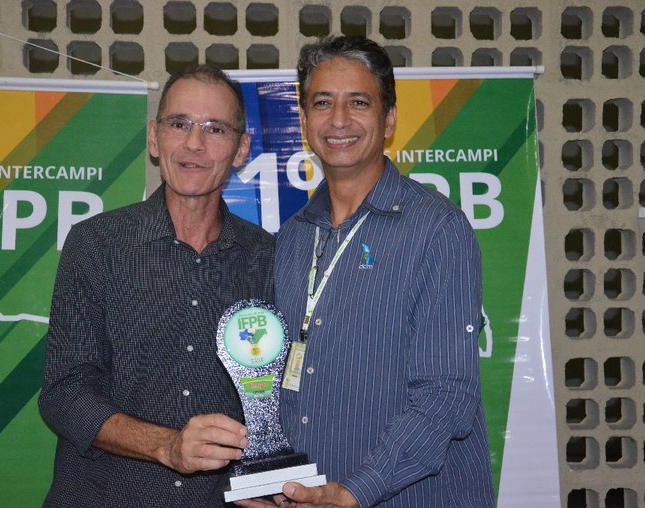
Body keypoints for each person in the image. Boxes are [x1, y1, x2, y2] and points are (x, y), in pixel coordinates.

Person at [245, 36, 495, 507]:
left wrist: (356, 491)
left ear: (390, 119)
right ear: (304, 121)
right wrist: (269, 481)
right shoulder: (293, 237)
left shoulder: (437, 229)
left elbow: (446, 395)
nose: (339, 120)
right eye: (322, 103)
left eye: (358, 102)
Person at [38, 66, 275, 507]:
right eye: (179, 124)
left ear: (241, 149)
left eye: (215, 129)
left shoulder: (268, 257)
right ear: (154, 137)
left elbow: (278, 396)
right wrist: (168, 446)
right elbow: (63, 394)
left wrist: (268, 481)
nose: (194, 143)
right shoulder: (97, 245)